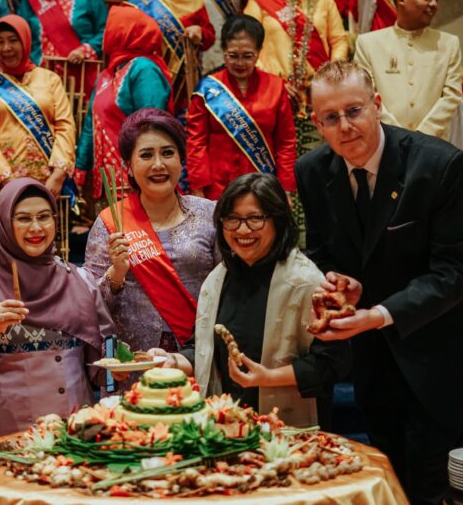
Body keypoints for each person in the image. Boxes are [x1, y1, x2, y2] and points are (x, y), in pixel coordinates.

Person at [295, 60, 463, 504]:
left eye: (354, 111)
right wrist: (338, 284)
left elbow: (454, 272)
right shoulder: (312, 171)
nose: (345, 126)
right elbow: (323, 254)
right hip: (374, 359)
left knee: (429, 486)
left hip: (441, 352)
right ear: (318, 123)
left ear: (377, 105)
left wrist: (379, 313)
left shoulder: (440, 165)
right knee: (390, 482)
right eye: (331, 118)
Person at [149, 173, 350, 428]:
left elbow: (334, 363)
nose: (242, 230)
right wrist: (174, 361)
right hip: (226, 426)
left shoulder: (307, 281)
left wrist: (269, 378)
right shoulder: (219, 278)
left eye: (255, 218)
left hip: (286, 430)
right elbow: (202, 346)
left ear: (278, 221)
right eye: (232, 219)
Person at [0, 178, 115, 441]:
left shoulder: (79, 280)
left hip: (75, 430)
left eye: (44, 217)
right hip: (11, 431)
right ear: (3, 225)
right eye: (23, 218)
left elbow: (107, 352)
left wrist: (115, 376)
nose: (36, 228)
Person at [83, 108, 219, 366]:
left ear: (182, 160)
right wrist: (117, 273)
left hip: (199, 359)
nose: (158, 164)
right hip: (135, 365)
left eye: (168, 153)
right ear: (130, 168)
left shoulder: (209, 214)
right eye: (146, 155)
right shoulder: (110, 223)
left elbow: (230, 290)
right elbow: (91, 309)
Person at [243, 0, 347, 157]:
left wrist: (328, 76)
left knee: (315, 160)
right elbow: (248, 48)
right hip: (273, 96)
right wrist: (273, 82)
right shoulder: (260, 1)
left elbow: (338, 40)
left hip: (316, 95)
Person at [0, 15, 76, 202]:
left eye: (13, 40)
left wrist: (58, 175)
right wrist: (7, 180)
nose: (6, 48)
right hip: (3, 186)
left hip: (49, 184)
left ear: (26, 41)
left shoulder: (49, 79)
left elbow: (65, 125)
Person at [187, 14, 296, 199]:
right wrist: (198, 190)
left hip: (263, 187)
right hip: (217, 189)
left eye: (247, 56)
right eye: (233, 56)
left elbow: (286, 143)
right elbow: (196, 143)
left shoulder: (276, 87)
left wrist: (286, 190)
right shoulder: (207, 90)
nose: (239, 63)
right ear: (223, 51)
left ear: (259, 52)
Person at [354, 0, 462, 142]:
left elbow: (452, 96)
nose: (434, 4)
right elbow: (365, 96)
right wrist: (398, 135)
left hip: (433, 147)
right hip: (384, 144)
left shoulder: (448, 44)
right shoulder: (368, 44)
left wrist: (422, 136)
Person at [74, 6, 173, 200]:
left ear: (123, 32)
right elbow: (90, 125)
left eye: (109, 28)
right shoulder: (106, 74)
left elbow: (152, 128)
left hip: (135, 183)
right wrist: (80, 169)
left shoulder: (144, 70)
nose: (104, 35)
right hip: (105, 185)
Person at [126, 0, 216, 110]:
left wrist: (199, 32)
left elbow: (210, 36)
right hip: (149, 85)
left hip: (186, 87)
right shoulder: (134, 3)